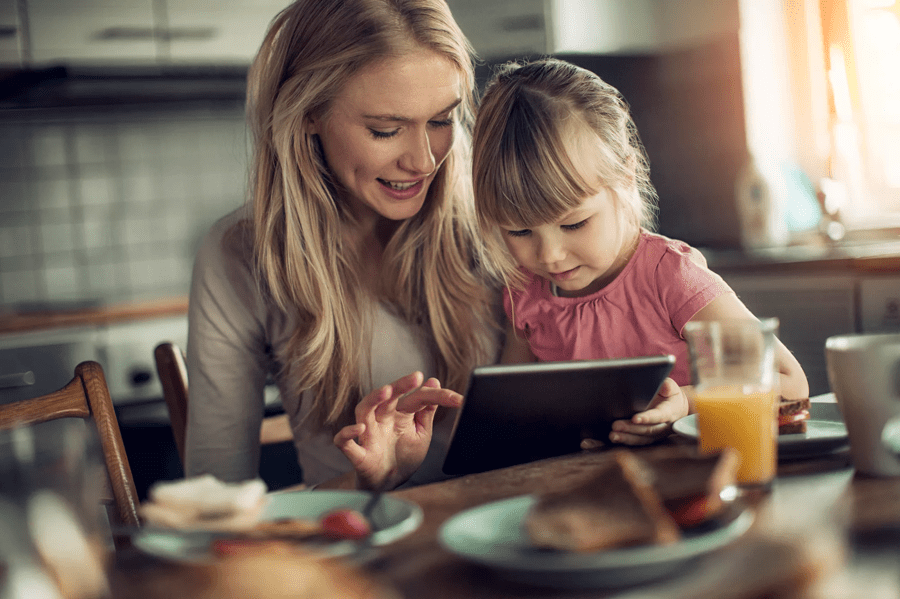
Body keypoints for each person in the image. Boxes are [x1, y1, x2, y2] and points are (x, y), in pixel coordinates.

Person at [185, 0, 499, 492]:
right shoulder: (240, 255)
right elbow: (216, 491)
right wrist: (370, 485)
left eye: (442, 120)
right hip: (361, 544)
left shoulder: (498, 221)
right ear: (309, 114)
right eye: (386, 130)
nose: (423, 160)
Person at [471, 58, 809, 445]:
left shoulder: (670, 277)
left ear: (626, 177)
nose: (548, 255)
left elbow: (790, 383)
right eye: (519, 230)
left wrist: (684, 403)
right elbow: (508, 413)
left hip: (692, 477)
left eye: (574, 224)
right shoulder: (524, 293)